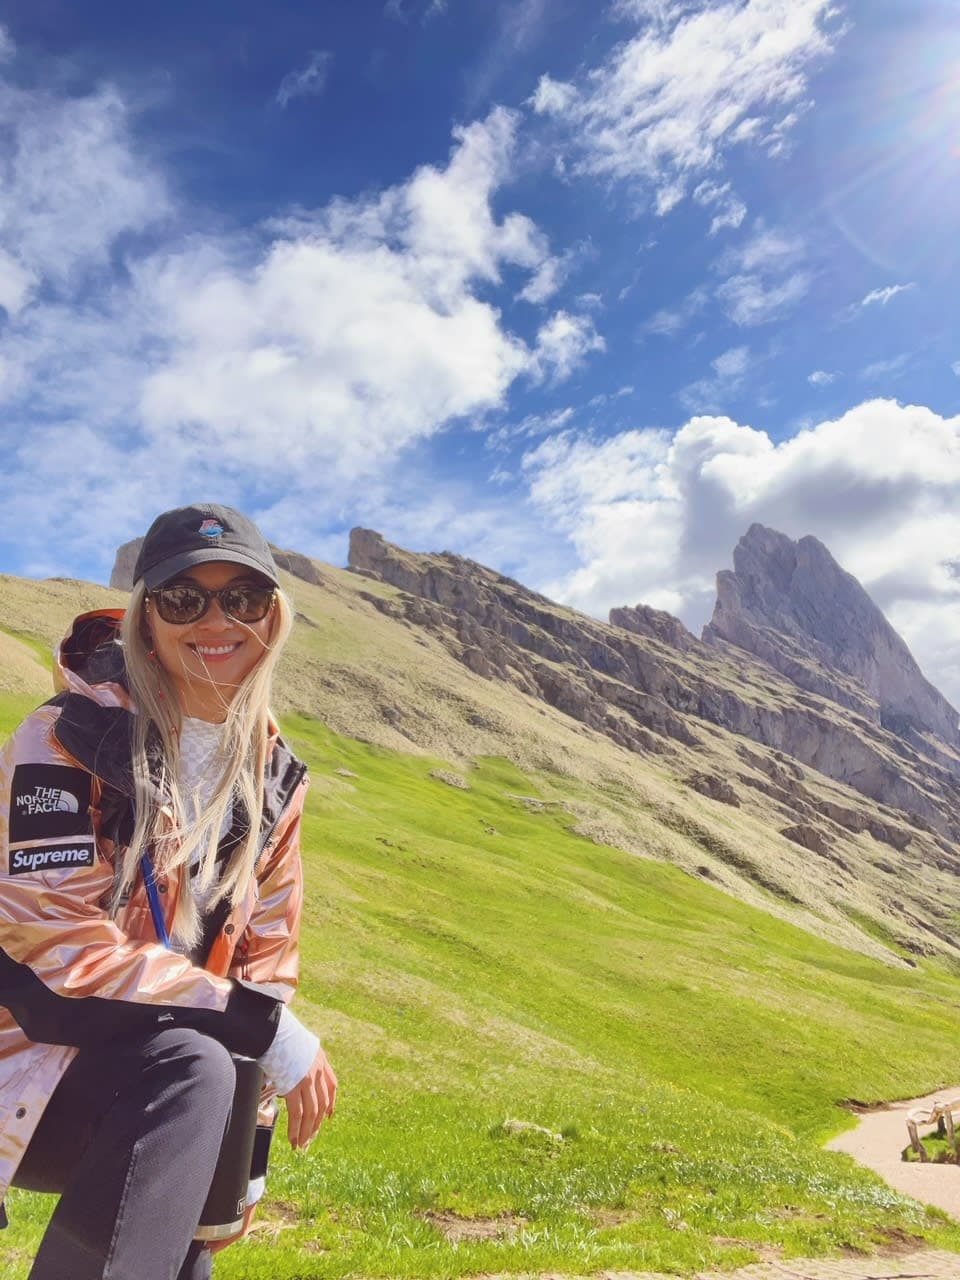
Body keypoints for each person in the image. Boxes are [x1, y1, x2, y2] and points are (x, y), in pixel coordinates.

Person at [0, 503, 337, 1280]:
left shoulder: (275, 780)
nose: (216, 621)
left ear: (273, 616)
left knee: (190, 1245)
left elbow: (265, 967)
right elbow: (55, 941)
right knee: (193, 1067)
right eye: (184, 598)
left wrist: (244, 1159)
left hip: (162, 1079)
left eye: (243, 597)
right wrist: (266, 1030)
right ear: (146, 618)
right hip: (25, 1053)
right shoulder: (66, 737)